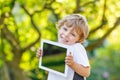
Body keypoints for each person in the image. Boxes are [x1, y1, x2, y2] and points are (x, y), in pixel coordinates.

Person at [36, 14, 90, 80]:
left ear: (79, 39)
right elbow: (52, 68)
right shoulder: (56, 47)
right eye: (65, 29)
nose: (66, 34)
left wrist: (72, 64)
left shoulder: (76, 47)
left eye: (73, 34)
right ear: (60, 27)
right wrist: (43, 56)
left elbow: (86, 72)